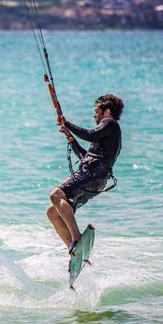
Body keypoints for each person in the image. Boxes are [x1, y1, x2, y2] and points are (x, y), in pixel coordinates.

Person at [46, 93, 124, 253]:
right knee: (53, 211)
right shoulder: (106, 134)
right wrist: (69, 136)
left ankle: (76, 237)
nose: (94, 115)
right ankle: (74, 249)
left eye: (97, 111)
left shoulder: (110, 123)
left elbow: (90, 135)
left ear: (107, 111)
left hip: (94, 174)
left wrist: (67, 123)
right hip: (94, 178)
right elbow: (84, 157)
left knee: (56, 195)